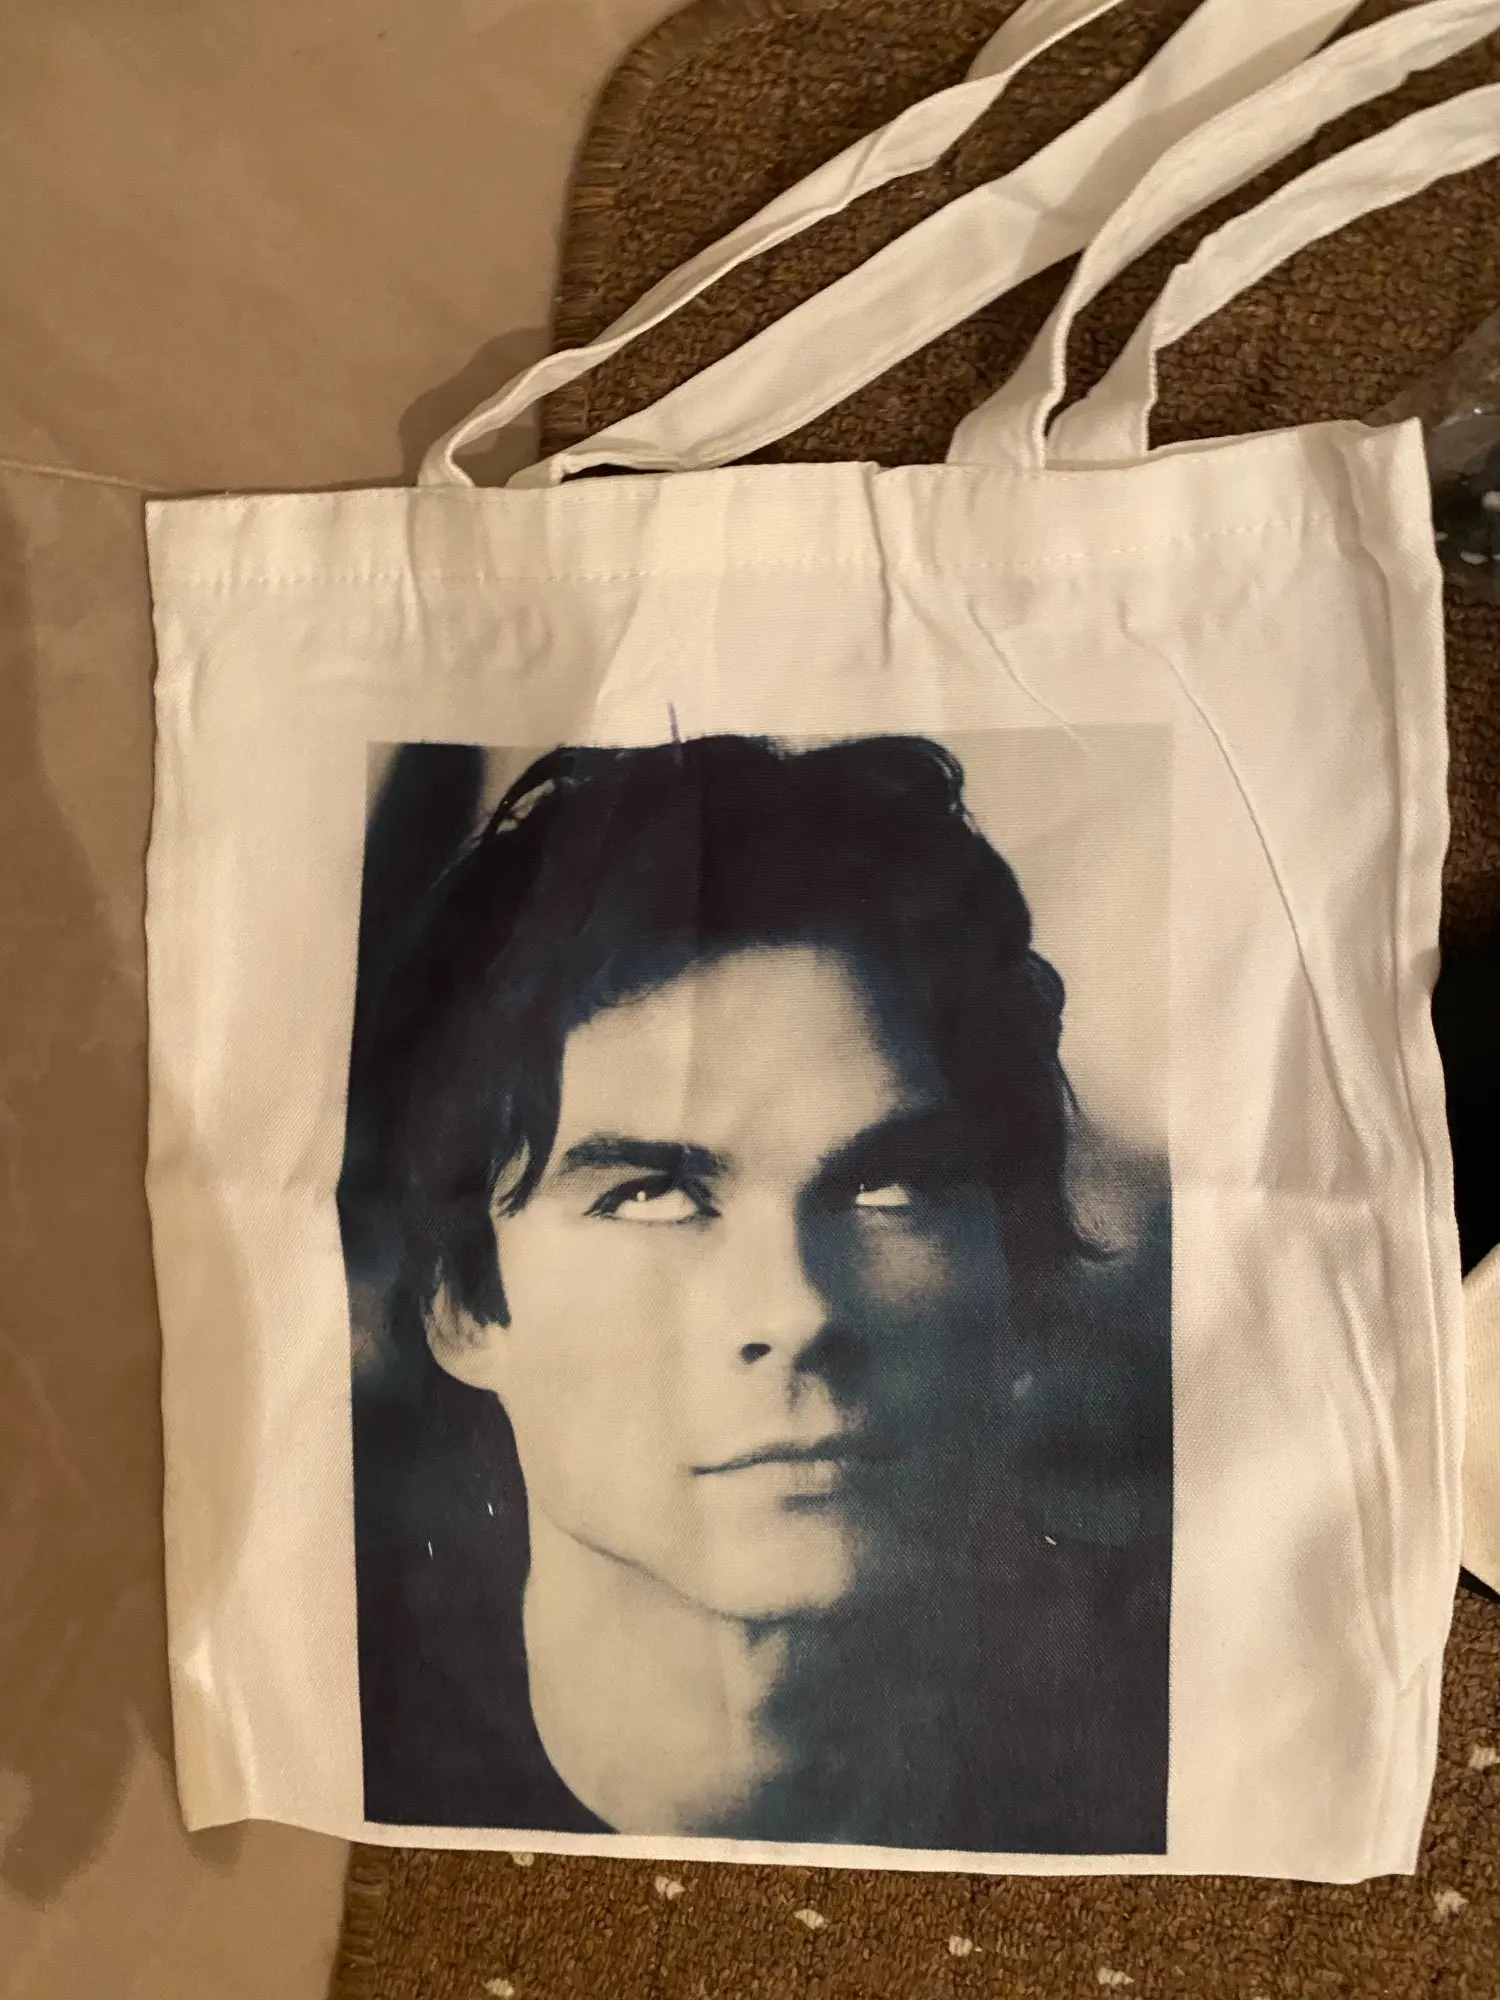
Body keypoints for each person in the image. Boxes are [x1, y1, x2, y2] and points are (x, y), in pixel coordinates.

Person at [341, 734, 1170, 1851]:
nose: (796, 1312)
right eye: (651, 1195)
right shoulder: (330, 1733)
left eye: (887, 1187)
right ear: (467, 1302)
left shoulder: (1174, 1731)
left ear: (1014, 1277)